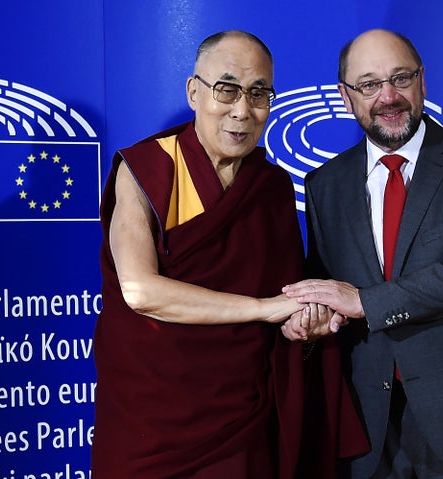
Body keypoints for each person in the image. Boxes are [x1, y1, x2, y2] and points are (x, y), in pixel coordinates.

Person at [92, 30, 366, 479]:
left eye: (259, 93)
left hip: (241, 415)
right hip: (150, 418)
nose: (243, 110)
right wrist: (265, 310)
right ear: (194, 92)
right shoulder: (146, 169)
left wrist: (302, 321)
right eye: (227, 90)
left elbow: (284, 292)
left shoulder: (271, 188)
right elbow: (140, 290)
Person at [282, 29, 443, 478]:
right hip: (368, 424)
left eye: (400, 78)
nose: (388, 96)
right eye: (368, 84)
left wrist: (363, 302)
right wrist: (311, 316)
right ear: (346, 97)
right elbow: (328, 285)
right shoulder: (324, 184)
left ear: (422, 81)